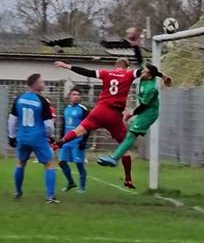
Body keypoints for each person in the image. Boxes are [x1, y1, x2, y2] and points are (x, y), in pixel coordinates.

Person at [54, 28, 170, 188]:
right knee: (124, 147)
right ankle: (128, 179)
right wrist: (136, 47)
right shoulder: (129, 74)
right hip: (114, 116)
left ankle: (60, 142)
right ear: (126, 66)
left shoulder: (106, 73)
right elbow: (144, 66)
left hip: (100, 111)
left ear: (115, 65)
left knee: (79, 130)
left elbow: (86, 72)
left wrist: (67, 66)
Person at [97, 63, 171, 167]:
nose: (141, 72)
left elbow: (143, 106)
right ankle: (114, 158)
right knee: (130, 135)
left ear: (149, 76)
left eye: (144, 71)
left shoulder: (150, 88)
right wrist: (164, 76)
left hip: (149, 113)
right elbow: (154, 72)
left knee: (132, 135)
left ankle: (114, 158)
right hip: (145, 111)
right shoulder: (147, 76)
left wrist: (131, 114)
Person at [8, 73, 59, 203]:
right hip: (38, 137)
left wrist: (12, 136)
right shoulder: (42, 101)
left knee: (20, 163)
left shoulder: (19, 98)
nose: (43, 84)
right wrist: (50, 137)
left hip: (22, 136)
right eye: (41, 82)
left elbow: (12, 120)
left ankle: (17, 192)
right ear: (35, 84)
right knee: (49, 164)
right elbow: (48, 124)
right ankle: (50, 196)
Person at [58, 87, 89, 193]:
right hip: (67, 141)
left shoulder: (83, 110)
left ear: (80, 97)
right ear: (69, 97)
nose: (75, 96)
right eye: (73, 94)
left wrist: (83, 141)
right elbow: (63, 125)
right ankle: (71, 182)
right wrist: (61, 140)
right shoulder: (66, 109)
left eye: (77, 95)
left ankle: (82, 187)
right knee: (61, 162)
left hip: (77, 141)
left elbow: (88, 126)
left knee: (79, 164)